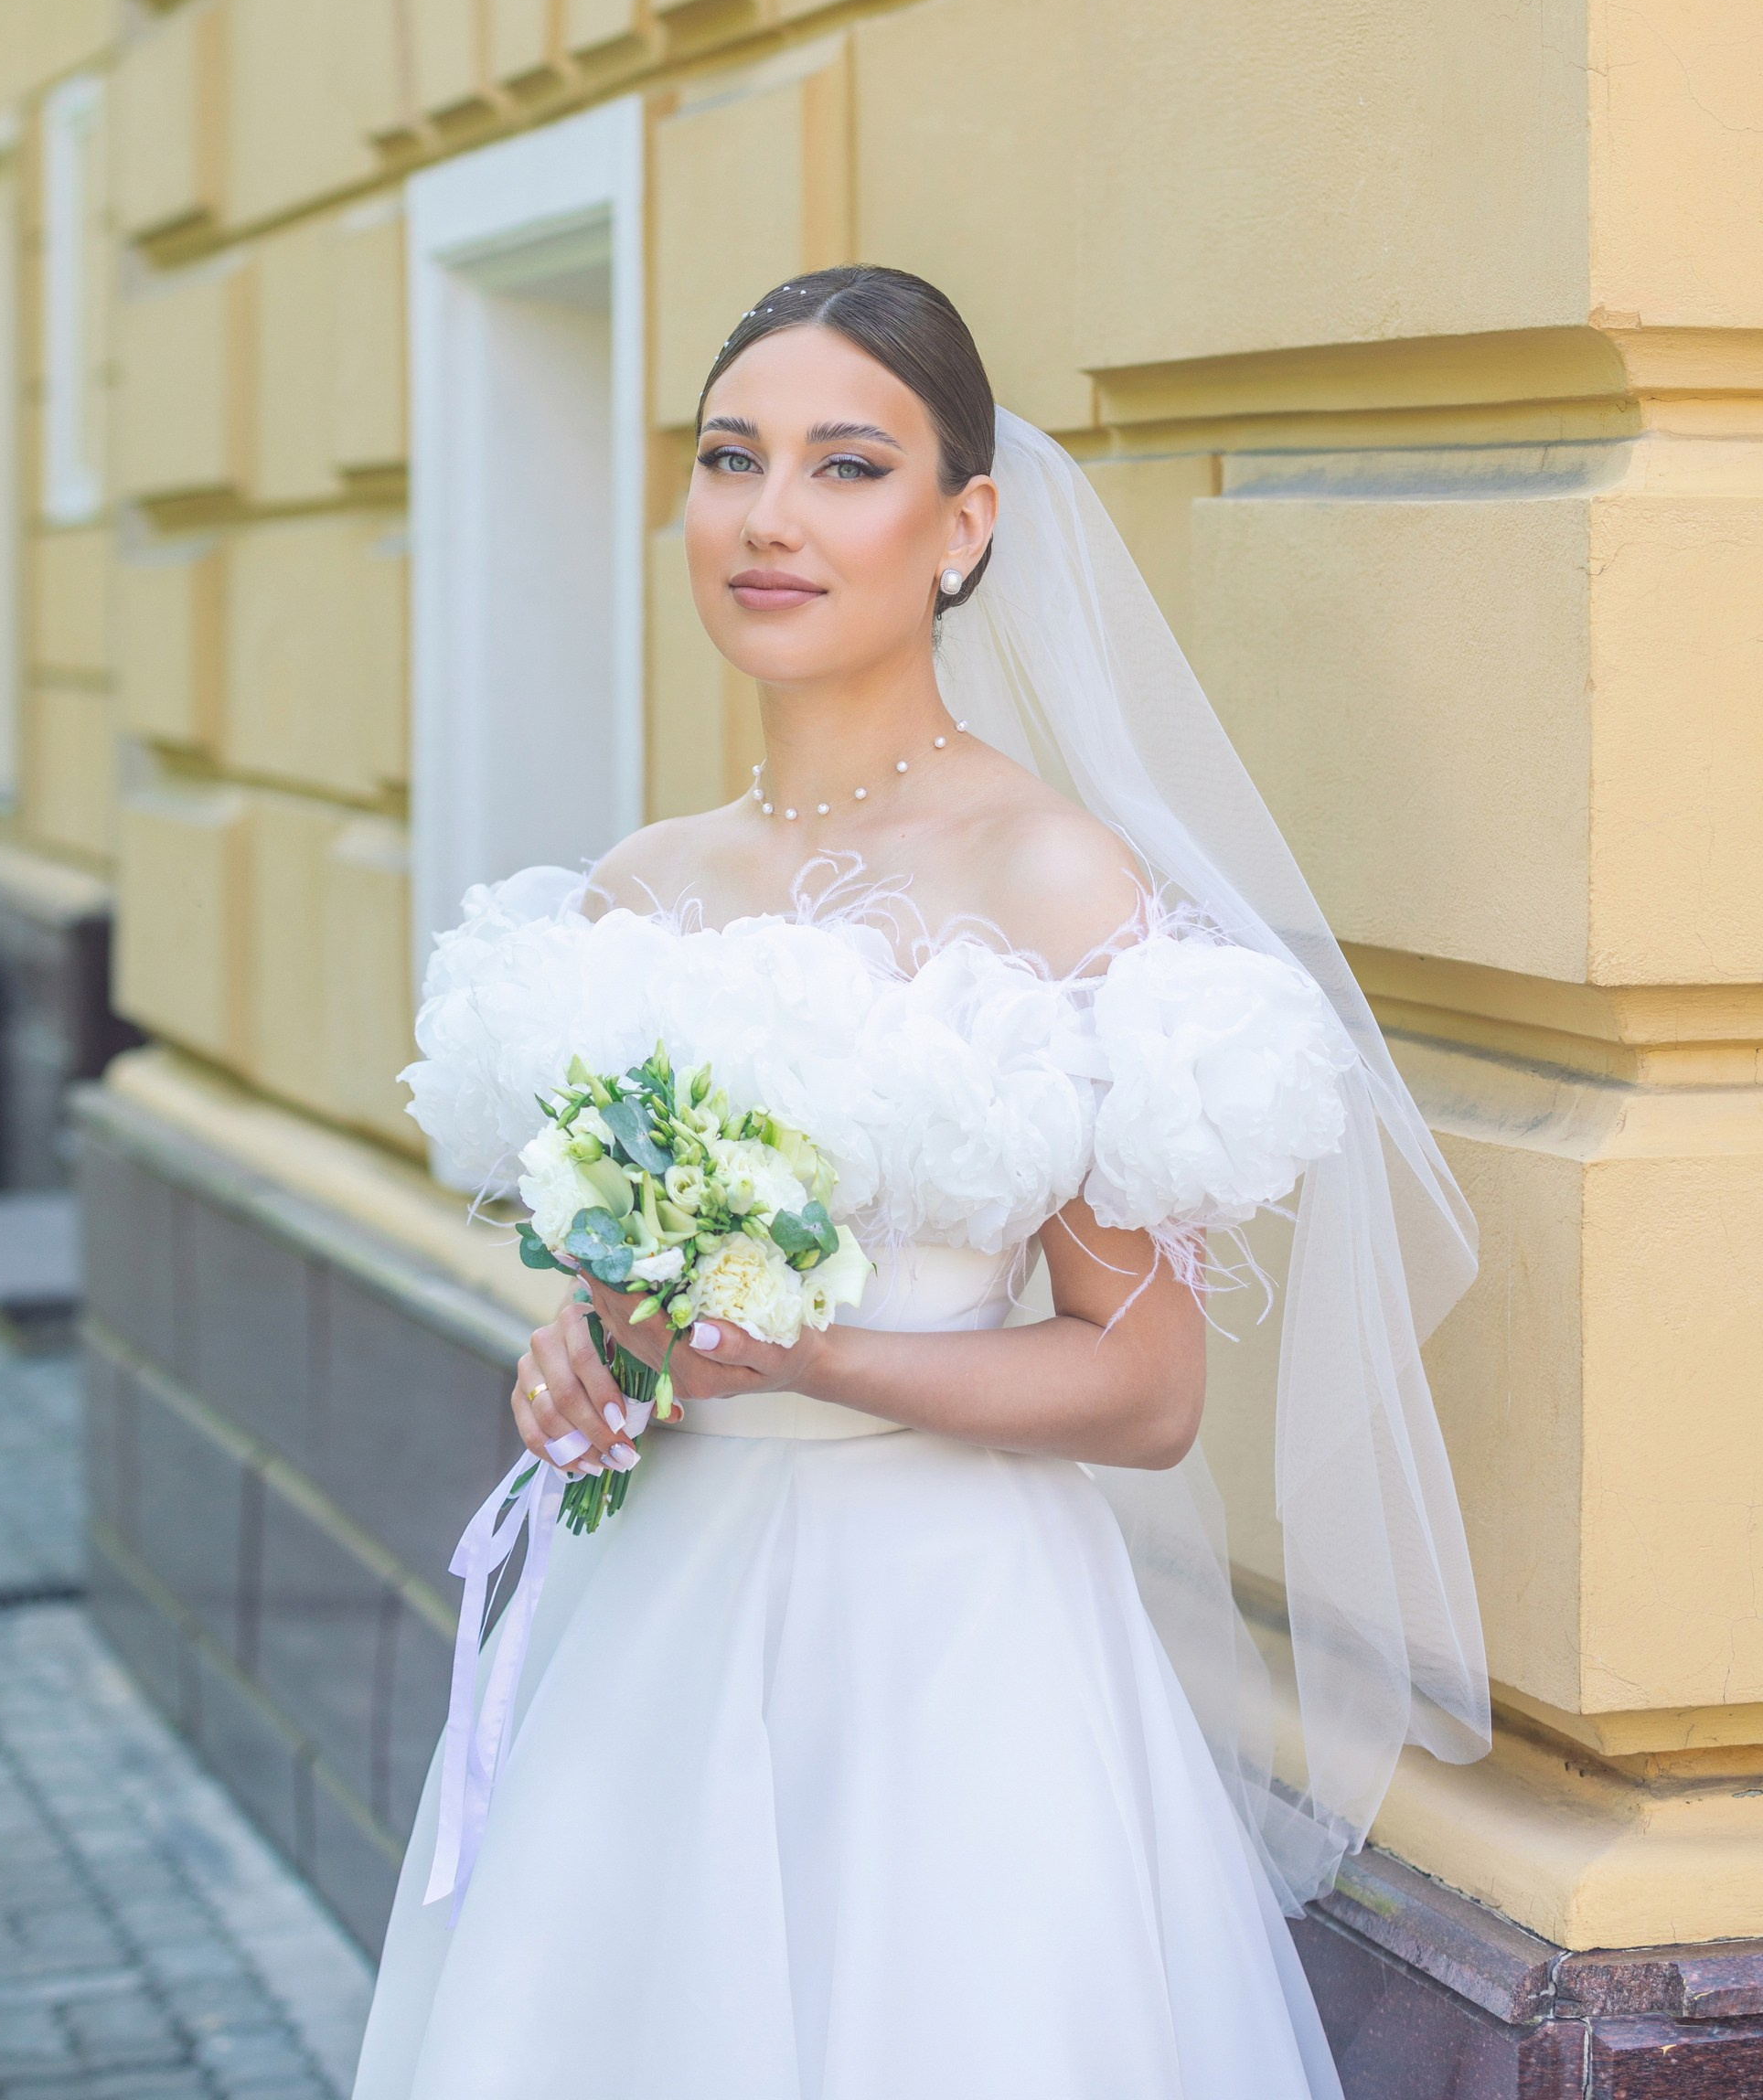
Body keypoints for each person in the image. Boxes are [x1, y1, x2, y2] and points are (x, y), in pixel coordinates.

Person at [353, 268, 1488, 2100]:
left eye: (845, 464)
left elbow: (1144, 1385)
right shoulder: (640, 885)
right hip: (653, 1619)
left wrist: (814, 1360)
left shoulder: (1050, 877)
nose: (769, 516)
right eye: (732, 459)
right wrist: (590, 1353)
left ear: (963, 526)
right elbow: (639, 1288)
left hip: (948, 1647)